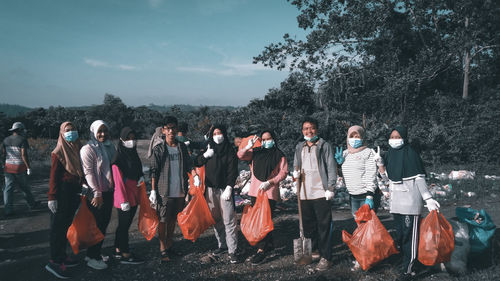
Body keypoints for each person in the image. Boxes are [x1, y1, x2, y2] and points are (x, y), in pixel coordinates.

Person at [379, 126, 440, 279]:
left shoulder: (411, 154)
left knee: (409, 236)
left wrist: (428, 198)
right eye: (392, 137)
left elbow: (419, 178)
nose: (394, 140)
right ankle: (405, 261)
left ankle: (409, 268)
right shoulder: (390, 155)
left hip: (410, 203)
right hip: (396, 203)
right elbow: (387, 179)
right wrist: (380, 165)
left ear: (404, 138)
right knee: (400, 235)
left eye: (397, 136)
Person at [292, 117, 336, 271]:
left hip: (321, 192)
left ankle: (326, 257)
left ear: (317, 129)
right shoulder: (300, 147)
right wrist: (295, 173)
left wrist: (330, 188)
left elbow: (331, 167)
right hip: (304, 194)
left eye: (311, 128)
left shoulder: (324, 146)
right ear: (302, 130)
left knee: (323, 226)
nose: (308, 131)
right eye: (305, 128)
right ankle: (314, 251)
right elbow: (296, 165)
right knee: (309, 226)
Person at [237, 130, 288, 265]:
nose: (266, 142)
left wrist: (270, 182)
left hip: (270, 192)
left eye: (269, 139)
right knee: (261, 221)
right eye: (264, 139)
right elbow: (240, 155)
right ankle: (268, 245)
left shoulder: (279, 155)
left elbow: (283, 173)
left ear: (274, 139)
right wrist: (248, 146)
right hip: (255, 192)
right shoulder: (256, 153)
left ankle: (261, 250)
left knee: (264, 221)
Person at [194, 124, 240, 264]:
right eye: (215, 133)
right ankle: (222, 245)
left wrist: (229, 187)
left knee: (229, 219)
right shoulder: (209, 147)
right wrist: (205, 156)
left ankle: (233, 250)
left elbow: (233, 170)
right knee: (216, 219)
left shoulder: (229, 150)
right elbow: (196, 162)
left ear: (224, 134)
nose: (217, 136)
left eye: (220, 133)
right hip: (210, 189)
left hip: (224, 189)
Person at [149, 116, 192, 262]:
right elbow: (154, 170)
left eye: (173, 128)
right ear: (163, 130)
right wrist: (153, 190)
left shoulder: (181, 147)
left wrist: (193, 181)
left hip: (179, 190)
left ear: (177, 129)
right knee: (163, 219)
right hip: (164, 191)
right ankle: (162, 248)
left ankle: (169, 244)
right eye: (168, 128)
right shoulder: (159, 149)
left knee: (173, 219)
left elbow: (188, 166)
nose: (171, 131)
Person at [45, 122, 84, 279]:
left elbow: (79, 171)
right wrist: (52, 197)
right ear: (61, 133)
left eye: (73, 129)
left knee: (66, 225)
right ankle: (54, 261)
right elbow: (54, 176)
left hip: (73, 192)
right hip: (61, 193)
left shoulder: (76, 147)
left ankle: (62, 256)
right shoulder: (59, 152)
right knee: (57, 228)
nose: (71, 133)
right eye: (67, 130)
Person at [80, 120, 116, 270]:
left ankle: (93, 253)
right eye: (99, 131)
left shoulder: (105, 146)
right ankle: (93, 258)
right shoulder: (87, 149)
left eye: (105, 131)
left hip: (106, 192)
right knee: (97, 225)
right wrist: (97, 193)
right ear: (93, 132)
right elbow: (89, 174)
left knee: (103, 224)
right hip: (96, 194)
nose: (103, 134)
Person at [111, 127, 145, 264]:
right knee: (124, 226)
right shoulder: (118, 157)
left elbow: (137, 169)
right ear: (121, 140)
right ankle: (125, 253)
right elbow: (118, 181)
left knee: (124, 224)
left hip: (133, 195)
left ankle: (118, 249)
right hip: (123, 197)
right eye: (127, 138)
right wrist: (122, 200)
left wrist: (141, 176)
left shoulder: (133, 153)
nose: (131, 141)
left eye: (133, 138)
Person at [334, 126, 378, 217]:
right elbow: (343, 175)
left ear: (362, 137)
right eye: (352, 136)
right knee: (357, 221)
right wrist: (339, 165)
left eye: (357, 136)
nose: (354, 139)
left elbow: (371, 173)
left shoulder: (368, 152)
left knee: (367, 223)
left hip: (365, 195)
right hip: (352, 194)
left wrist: (369, 195)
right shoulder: (345, 153)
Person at [2, 122, 40, 216]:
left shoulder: (5, 140)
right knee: (24, 187)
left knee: (8, 189)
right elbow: (24, 155)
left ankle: (8, 209)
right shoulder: (22, 140)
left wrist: (4, 164)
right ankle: (32, 204)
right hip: (19, 167)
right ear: (19, 130)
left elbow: (3, 154)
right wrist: (28, 167)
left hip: (8, 167)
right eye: (22, 130)